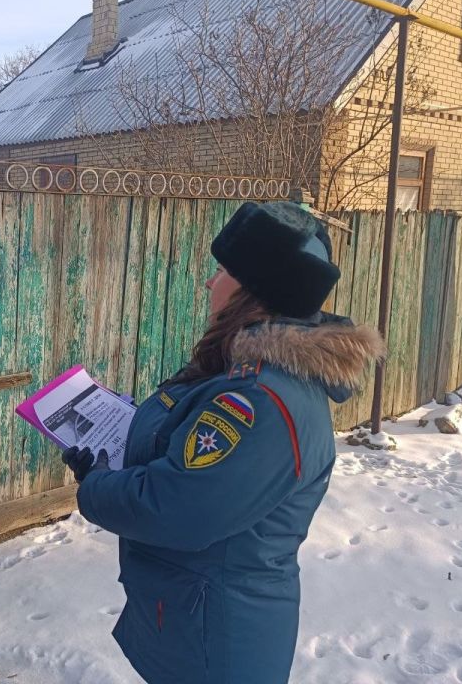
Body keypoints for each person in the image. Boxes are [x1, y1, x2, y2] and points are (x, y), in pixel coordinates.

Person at [64, 201, 385, 684]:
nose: (209, 282)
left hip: (218, 641)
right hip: (198, 621)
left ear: (253, 290)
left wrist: (95, 485)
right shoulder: (242, 370)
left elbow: (177, 508)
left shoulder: (260, 400)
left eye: (222, 271)